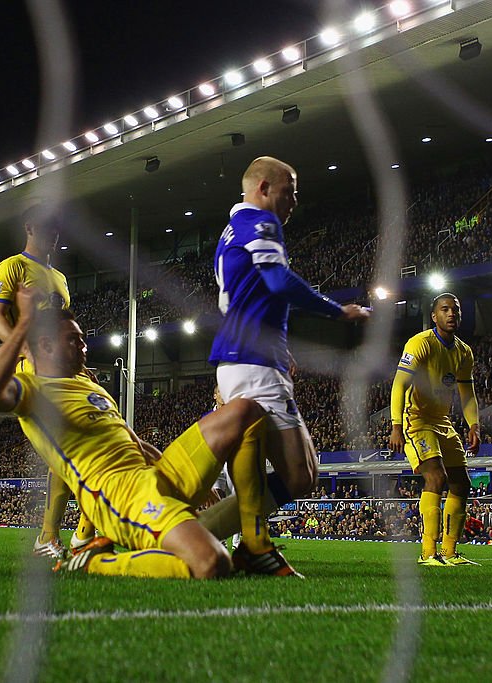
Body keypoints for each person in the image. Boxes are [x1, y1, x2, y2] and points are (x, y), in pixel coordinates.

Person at [0, 286, 271, 579]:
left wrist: (202, 483)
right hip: (122, 495)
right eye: (74, 340)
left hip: (156, 474)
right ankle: (94, 561)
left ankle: (255, 543)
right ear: (46, 345)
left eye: (82, 340)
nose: (84, 347)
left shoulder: (91, 386)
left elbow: (135, 442)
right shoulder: (33, 391)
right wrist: (26, 322)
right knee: (213, 563)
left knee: (244, 411)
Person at [200, 156, 369, 574]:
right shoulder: (261, 222)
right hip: (254, 364)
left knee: (266, 470)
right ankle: (198, 535)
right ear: (263, 189)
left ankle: (250, 545)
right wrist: (336, 311)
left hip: (243, 358)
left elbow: (250, 297)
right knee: (301, 474)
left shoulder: (231, 230)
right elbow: (278, 282)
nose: (294, 201)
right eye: (289, 191)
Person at [0, 204, 96, 559]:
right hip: (32, 371)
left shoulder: (60, 279)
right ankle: (58, 535)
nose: (56, 232)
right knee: (66, 448)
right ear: (30, 226)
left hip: (64, 371)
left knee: (83, 445)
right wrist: (26, 351)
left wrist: (78, 363)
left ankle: (81, 532)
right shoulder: (12, 267)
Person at [389, 293, 481, 566]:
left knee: (462, 483)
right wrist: (395, 425)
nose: (451, 314)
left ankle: (450, 553)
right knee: (435, 477)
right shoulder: (420, 343)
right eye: (445, 309)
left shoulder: (464, 352)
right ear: (434, 316)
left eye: (456, 309)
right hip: (416, 419)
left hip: (442, 421)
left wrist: (473, 424)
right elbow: (399, 384)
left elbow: (467, 394)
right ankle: (428, 552)